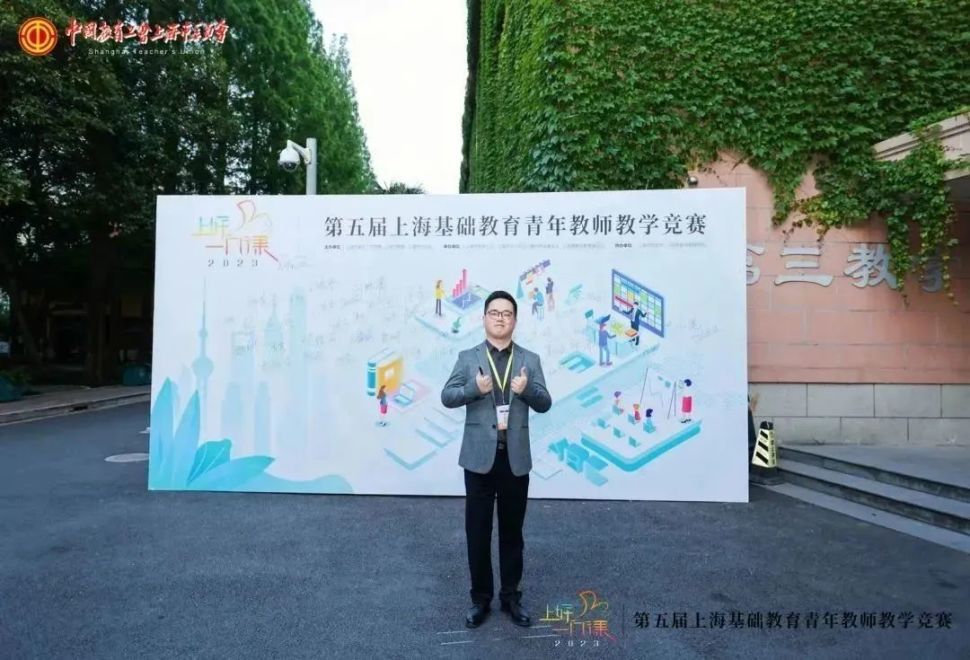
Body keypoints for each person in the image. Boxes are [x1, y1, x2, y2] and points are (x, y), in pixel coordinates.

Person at [441, 290, 552, 630]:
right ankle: (480, 600)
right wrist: (473, 389)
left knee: (512, 532)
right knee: (477, 532)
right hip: (478, 460)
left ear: (515, 320)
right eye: (494, 312)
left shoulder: (529, 360)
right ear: (484, 318)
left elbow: (545, 402)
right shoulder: (467, 358)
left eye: (507, 313)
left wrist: (526, 390)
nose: (500, 318)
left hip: (514, 460)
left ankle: (511, 597)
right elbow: (447, 396)